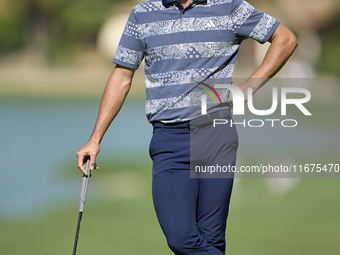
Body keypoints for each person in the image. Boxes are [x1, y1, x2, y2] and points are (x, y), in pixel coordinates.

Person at [76, 0, 298, 254]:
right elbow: (122, 76)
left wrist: (249, 87)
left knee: (212, 239)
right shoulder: (143, 14)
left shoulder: (230, 7)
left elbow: (286, 39)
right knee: (181, 239)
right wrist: (95, 138)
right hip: (169, 139)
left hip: (216, 136)